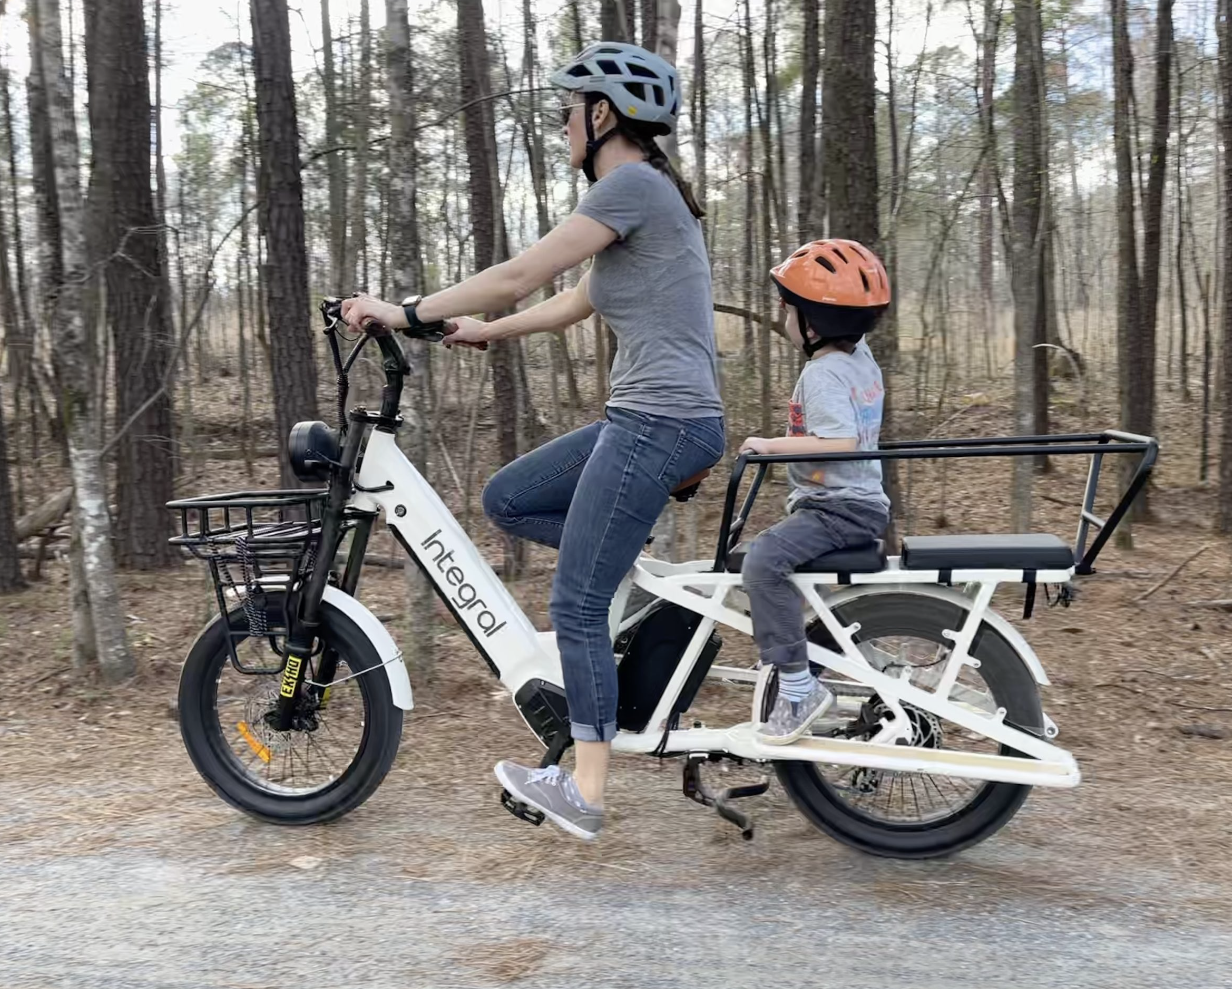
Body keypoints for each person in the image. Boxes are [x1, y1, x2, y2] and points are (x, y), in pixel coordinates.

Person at [341, 43, 723, 839]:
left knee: (576, 603)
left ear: (603, 114)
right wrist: (487, 330)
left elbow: (521, 272)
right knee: (509, 497)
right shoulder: (648, 198)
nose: (560, 125)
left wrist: (401, 310)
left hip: (659, 421)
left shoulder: (631, 185)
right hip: (650, 420)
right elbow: (573, 299)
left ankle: (583, 789)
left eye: (568, 110)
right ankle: (632, 573)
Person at [738, 240, 892, 744]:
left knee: (762, 562)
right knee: (778, 571)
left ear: (813, 321)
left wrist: (768, 444)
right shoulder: (858, 359)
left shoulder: (823, 373)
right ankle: (814, 657)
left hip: (837, 508)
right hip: (860, 504)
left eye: (789, 307)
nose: (783, 315)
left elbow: (840, 441)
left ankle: (799, 687)